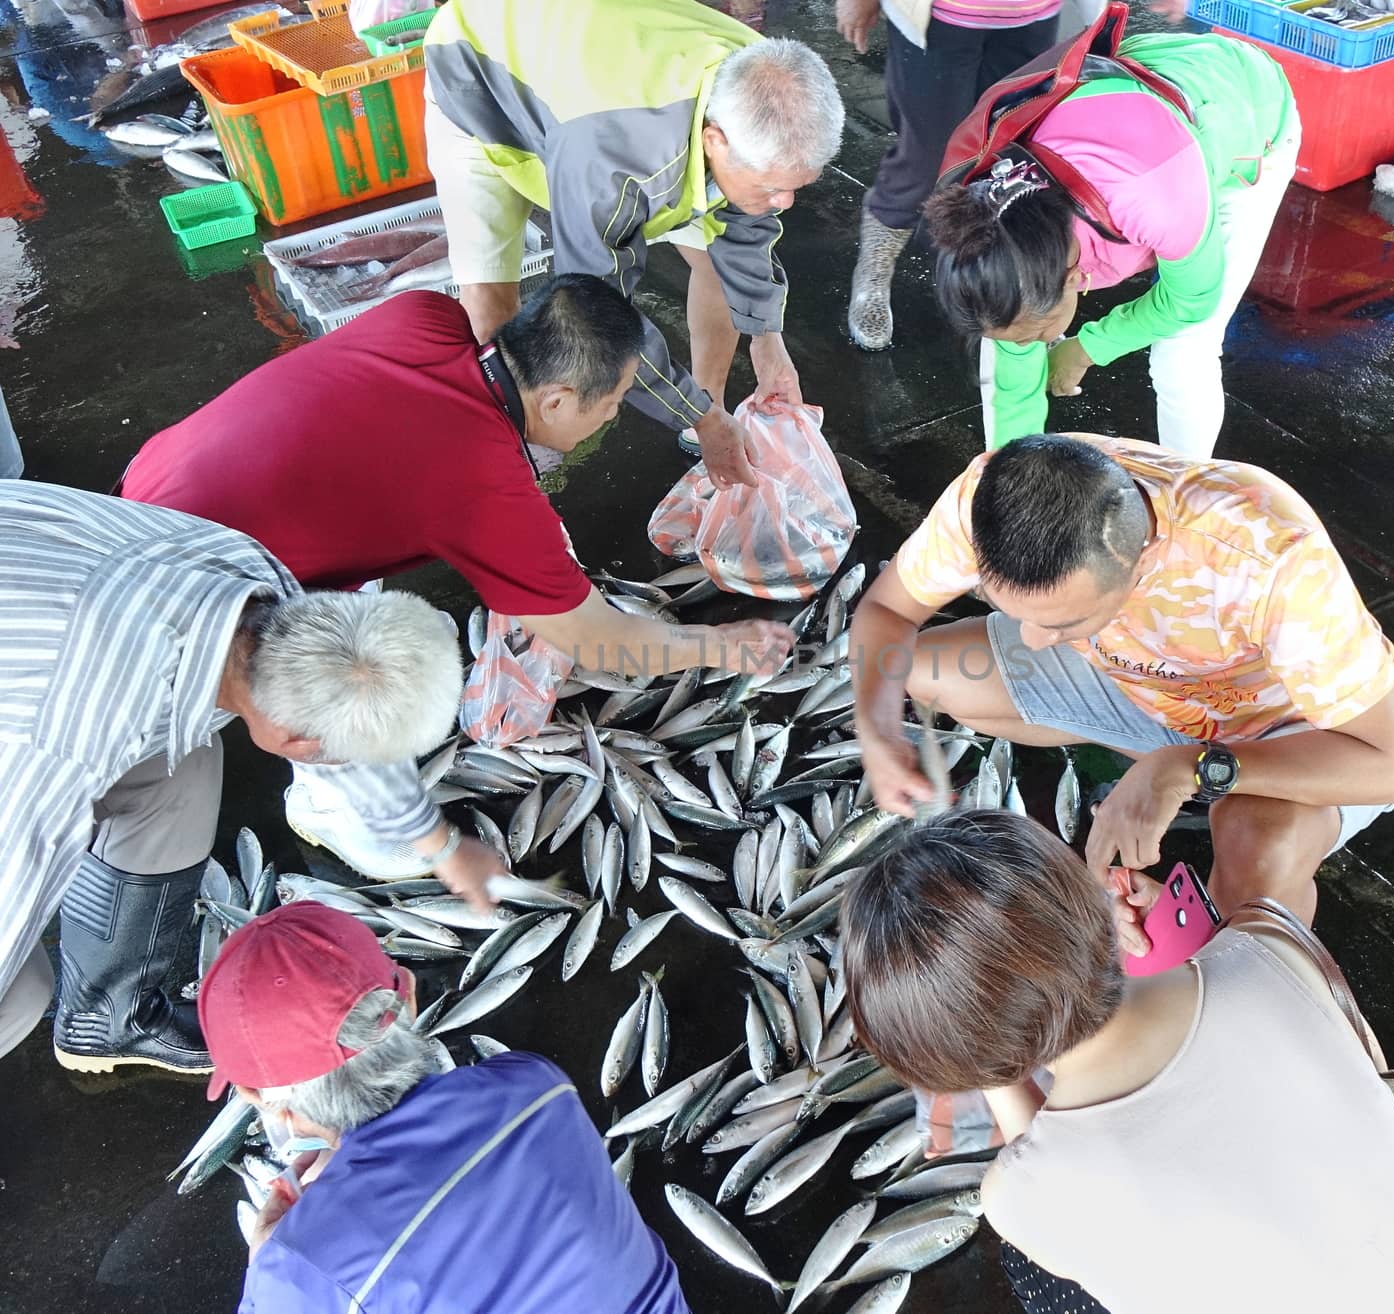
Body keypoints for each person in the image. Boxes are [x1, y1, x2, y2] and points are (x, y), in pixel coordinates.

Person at [120, 279, 795, 877]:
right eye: (615, 401)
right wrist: (726, 645)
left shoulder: (426, 315)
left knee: (354, 587)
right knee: (347, 686)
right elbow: (602, 641)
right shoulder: (481, 486)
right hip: (188, 591)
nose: (615, 417)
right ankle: (337, 810)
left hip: (148, 491)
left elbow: (398, 438)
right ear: (558, 398)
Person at [842, 810, 1394, 1314]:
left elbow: (1042, 1159)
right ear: (1093, 900)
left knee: (1037, 1274)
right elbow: (1336, 1051)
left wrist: (998, 1069)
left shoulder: (1018, 1198)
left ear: (954, 1070)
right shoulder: (1272, 944)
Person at [851, 433, 1394, 940]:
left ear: (1144, 561)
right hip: (1145, 688)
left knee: (1258, 865)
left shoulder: (1268, 557)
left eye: (1062, 621)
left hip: (1297, 733)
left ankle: (1233, 853)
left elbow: (1391, 769)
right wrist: (876, 732)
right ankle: (1169, 774)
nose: (1032, 640)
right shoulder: (992, 499)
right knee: (923, 671)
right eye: (1011, 610)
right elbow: (885, 611)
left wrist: (1183, 769)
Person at [0, 482, 471, 1073]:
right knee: (18, 994)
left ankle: (106, 1018)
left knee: (184, 761)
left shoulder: (256, 586)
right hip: (31, 706)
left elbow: (353, 688)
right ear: (299, 744)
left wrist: (434, 842)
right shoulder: (66, 737)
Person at [423, 0, 845, 488]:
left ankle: (707, 408)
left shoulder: (764, 78)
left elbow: (746, 227)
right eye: (772, 187)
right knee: (491, 301)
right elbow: (595, 317)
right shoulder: (611, 168)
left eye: (795, 186)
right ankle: (515, 454)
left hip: (587, 71)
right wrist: (702, 420)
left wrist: (767, 341)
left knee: (715, 258)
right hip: (479, 69)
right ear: (715, 141)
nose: (785, 203)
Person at [199, 902, 691, 1314]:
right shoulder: (535, 1086)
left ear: (257, 1097)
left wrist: (269, 1260)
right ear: (408, 997)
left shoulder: (303, 1270)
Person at [923, 26, 1300, 459]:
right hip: (1138, 91)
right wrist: (1011, 474)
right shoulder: (992, 226)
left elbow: (1192, 299)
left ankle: (1186, 493)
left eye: (1042, 334)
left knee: (1184, 354)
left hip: (1242, 104)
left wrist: (1086, 349)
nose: (1033, 344)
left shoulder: (1156, 197)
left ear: (1075, 277)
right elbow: (1014, 370)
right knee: (1011, 333)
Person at [834, 0, 1064, 351]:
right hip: (942, 14)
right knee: (927, 157)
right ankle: (875, 265)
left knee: (1013, 153)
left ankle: (1012, 290)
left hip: (1035, 12)